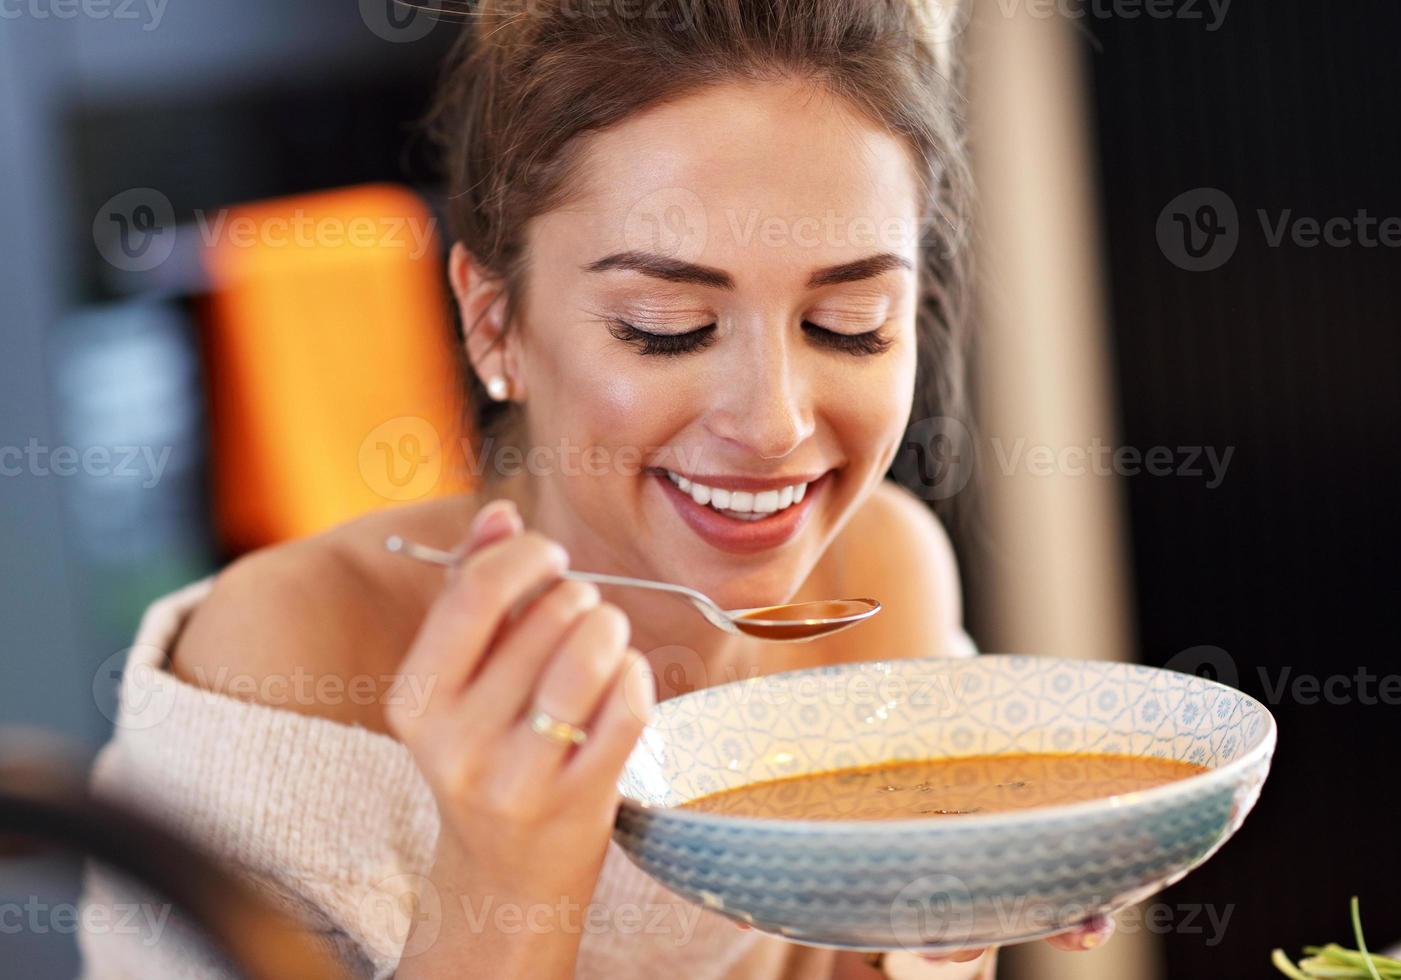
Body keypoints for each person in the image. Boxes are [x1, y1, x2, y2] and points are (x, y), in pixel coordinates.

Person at [78, 1, 1114, 977]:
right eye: (665, 324)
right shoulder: (283, 666)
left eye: (850, 322)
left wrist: (951, 930)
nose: (773, 422)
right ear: (495, 322)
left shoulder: (882, 577)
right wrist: (504, 878)